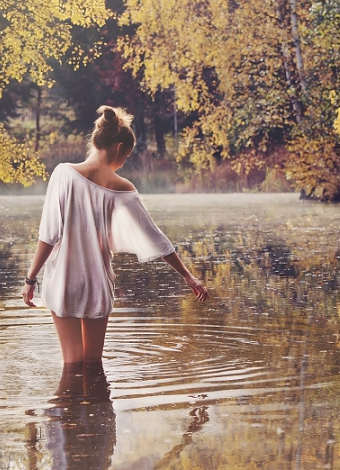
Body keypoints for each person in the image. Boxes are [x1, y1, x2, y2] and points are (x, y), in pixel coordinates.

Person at [22, 105, 209, 365]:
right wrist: (188, 276)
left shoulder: (63, 174)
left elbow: (49, 235)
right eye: (127, 156)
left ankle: (68, 402)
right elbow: (156, 238)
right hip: (97, 283)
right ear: (119, 147)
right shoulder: (123, 188)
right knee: (93, 364)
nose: (123, 162)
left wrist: (30, 280)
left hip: (65, 281)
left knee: (72, 364)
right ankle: (98, 404)